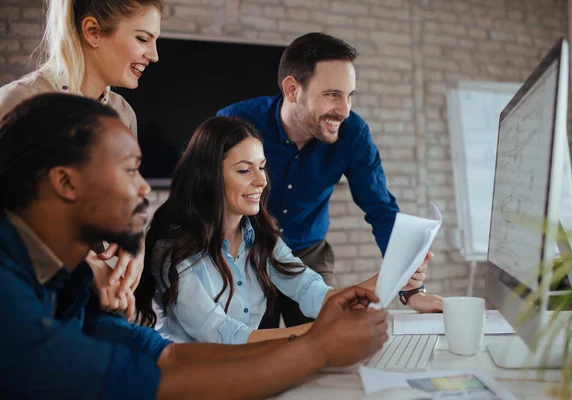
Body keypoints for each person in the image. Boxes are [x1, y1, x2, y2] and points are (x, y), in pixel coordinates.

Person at [0, 93, 388, 399]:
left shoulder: (75, 285)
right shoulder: (9, 295)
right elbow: (155, 382)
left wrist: (330, 328)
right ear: (65, 183)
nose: (143, 188)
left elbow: (167, 358)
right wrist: (319, 346)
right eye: (129, 169)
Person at [134, 116, 429, 344]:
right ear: (209, 176)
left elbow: (312, 291)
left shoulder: (261, 235)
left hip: (247, 370)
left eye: (262, 167)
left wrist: (394, 277)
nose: (261, 181)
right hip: (194, 381)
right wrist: (321, 335)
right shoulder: (174, 246)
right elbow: (224, 336)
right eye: (244, 170)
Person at [217, 32, 443, 328]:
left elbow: (380, 208)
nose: (345, 110)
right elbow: (203, 196)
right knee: (258, 349)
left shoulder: (353, 133)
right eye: (332, 94)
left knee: (329, 337)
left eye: (349, 96)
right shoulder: (235, 123)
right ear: (292, 89)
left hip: (309, 254)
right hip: (247, 257)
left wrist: (410, 286)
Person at [0, 0, 164, 316]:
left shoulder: (123, 114)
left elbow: (124, 200)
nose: (154, 55)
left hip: (98, 307)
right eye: (143, 39)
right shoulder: (16, 103)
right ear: (92, 31)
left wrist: (135, 247)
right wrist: (83, 267)